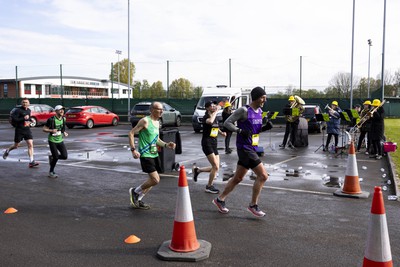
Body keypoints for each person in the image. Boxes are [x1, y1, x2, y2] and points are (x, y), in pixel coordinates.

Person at [212, 86, 269, 217]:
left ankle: (220, 200)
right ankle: (253, 205)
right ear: (256, 97)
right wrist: (239, 130)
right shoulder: (243, 110)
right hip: (245, 148)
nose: (264, 101)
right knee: (263, 176)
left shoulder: (259, 111)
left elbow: (255, 131)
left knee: (237, 178)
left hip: (252, 147)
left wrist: (265, 128)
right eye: (262, 98)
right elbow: (227, 123)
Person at [128, 101, 176, 210]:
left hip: (154, 154)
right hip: (145, 154)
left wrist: (167, 145)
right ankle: (135, 191)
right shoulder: (145, 121)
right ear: (152, 110)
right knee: (156, 180)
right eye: (159, 109)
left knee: (151, 181)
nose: (162, 111)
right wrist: (133, 150)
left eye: (162, 109)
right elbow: (131, 133)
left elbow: (157, 140)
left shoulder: (157, 122)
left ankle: (138, 199)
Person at [192, 101, 226, 194]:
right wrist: (216, 111)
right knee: (215, 166)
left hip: (214, 143)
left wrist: (221, 132)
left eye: (214, 105)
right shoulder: (205, 117)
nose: (214, 106)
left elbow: (215, 126)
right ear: (207, 108)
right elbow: (210, 122)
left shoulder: (214, 117)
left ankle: (198, 170)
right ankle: (209, 186)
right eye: (211, 106)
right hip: (207, 143)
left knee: (216, 167)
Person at [2, 98, 39, 167]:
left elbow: (28, 118)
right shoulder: (18, 110)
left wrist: (30, 120)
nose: (25, 104)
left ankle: (31, 161)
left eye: (26, 102)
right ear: (22, 103)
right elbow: (14, 119)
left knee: (30, 144)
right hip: (19, 130)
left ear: (29, 103)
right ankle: (8, 150)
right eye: (23, 102)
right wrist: (23, 118)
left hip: (27, 130)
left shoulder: (29, 110)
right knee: (16, 146)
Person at [42, 105, 68, 178]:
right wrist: (51, 130)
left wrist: (64, 132)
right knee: (56, 157)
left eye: (63, 109)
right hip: (52, 140)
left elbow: (62, 129)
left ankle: (52, 157)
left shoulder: (64, 119)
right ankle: (51, 172)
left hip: (60, 140)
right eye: (60, 110)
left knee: (64, 156)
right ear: (56, 111)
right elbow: (44, 129)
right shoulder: (51, 119)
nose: (62, 111)